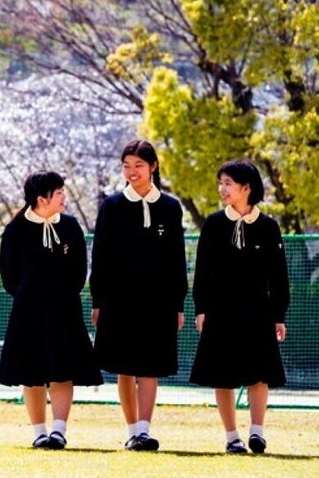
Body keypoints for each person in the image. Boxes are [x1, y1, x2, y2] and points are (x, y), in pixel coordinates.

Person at [89, 140, 188, 451]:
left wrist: (178, 303)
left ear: (153, 167)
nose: (132, 172)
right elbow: (100, 255)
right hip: (119, 300)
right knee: (125, 366)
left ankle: (145, 430)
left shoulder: (171, 207)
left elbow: (177, 259)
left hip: (158, 301)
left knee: (150, 366)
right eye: (126, 166)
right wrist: (98, 300)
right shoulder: (112, 206)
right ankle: (132, 430)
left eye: (139, 166)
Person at [0, 171, 103, 450]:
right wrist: (28, 295)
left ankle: (59, 430)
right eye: (59, 193)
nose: (64, 198)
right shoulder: (16, 229)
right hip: (28, 309)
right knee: (30, 372)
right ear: (41, 198)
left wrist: (64, 294)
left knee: (62, 370)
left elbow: (80, 269)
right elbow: (8, 274)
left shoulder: (70, 226)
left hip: (65, 306)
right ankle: (39, 432)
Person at [190, 160, 290, 454]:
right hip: (220, 311)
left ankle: (257, 432)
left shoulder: (269, 227)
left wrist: (278, 315)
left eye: (228, 183)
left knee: (259, 373)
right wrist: (201, 309)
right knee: (222, 374)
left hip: (258, 311)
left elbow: (278, 276)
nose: (222, 189)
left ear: (247, 188)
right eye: (220, 183)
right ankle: (232, 437)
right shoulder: (213, 224)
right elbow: (203, 271)